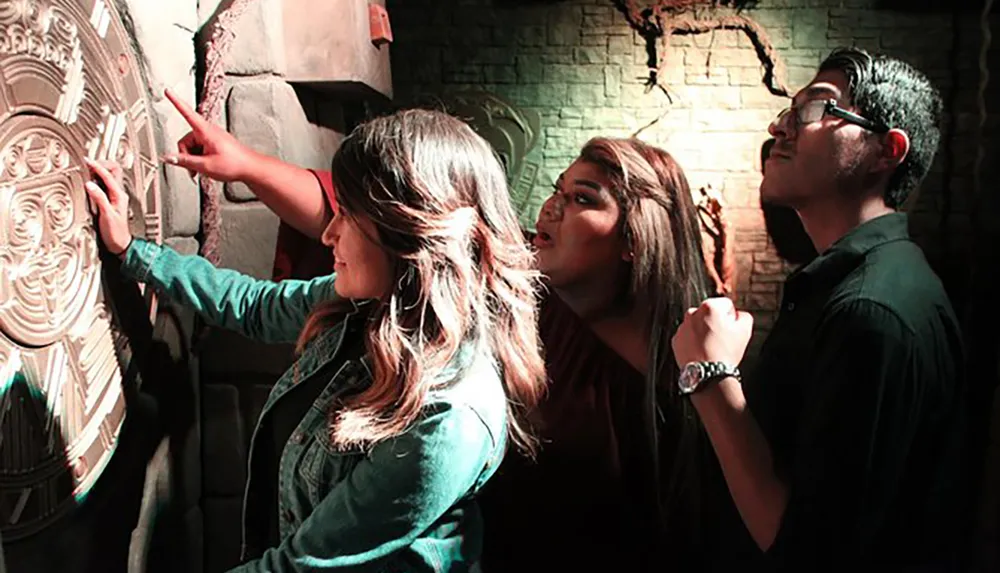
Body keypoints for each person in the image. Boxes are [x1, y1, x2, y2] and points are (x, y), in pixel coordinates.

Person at [160, 92, 717, 571]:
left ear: (637, 239)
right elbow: (378, 219)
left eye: (582, 198)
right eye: (558, 187)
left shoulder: (680, 379)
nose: (551, 207)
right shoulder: (514, 281)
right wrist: (249, 167)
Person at [86, 107, 547, 572]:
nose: (328, 233)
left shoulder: (449, 420)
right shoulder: (377, 302)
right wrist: (132, 251)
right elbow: (255, 305)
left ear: (409, 231)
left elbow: (298, 568)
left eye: (346, 214)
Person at [671, 47, 967, 571]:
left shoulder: (872, 313)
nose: (781, 127)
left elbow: (806, 549)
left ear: (886, 150)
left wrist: (711, 377)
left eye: (817, 109)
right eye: (790, 109)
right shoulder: (867, 282)